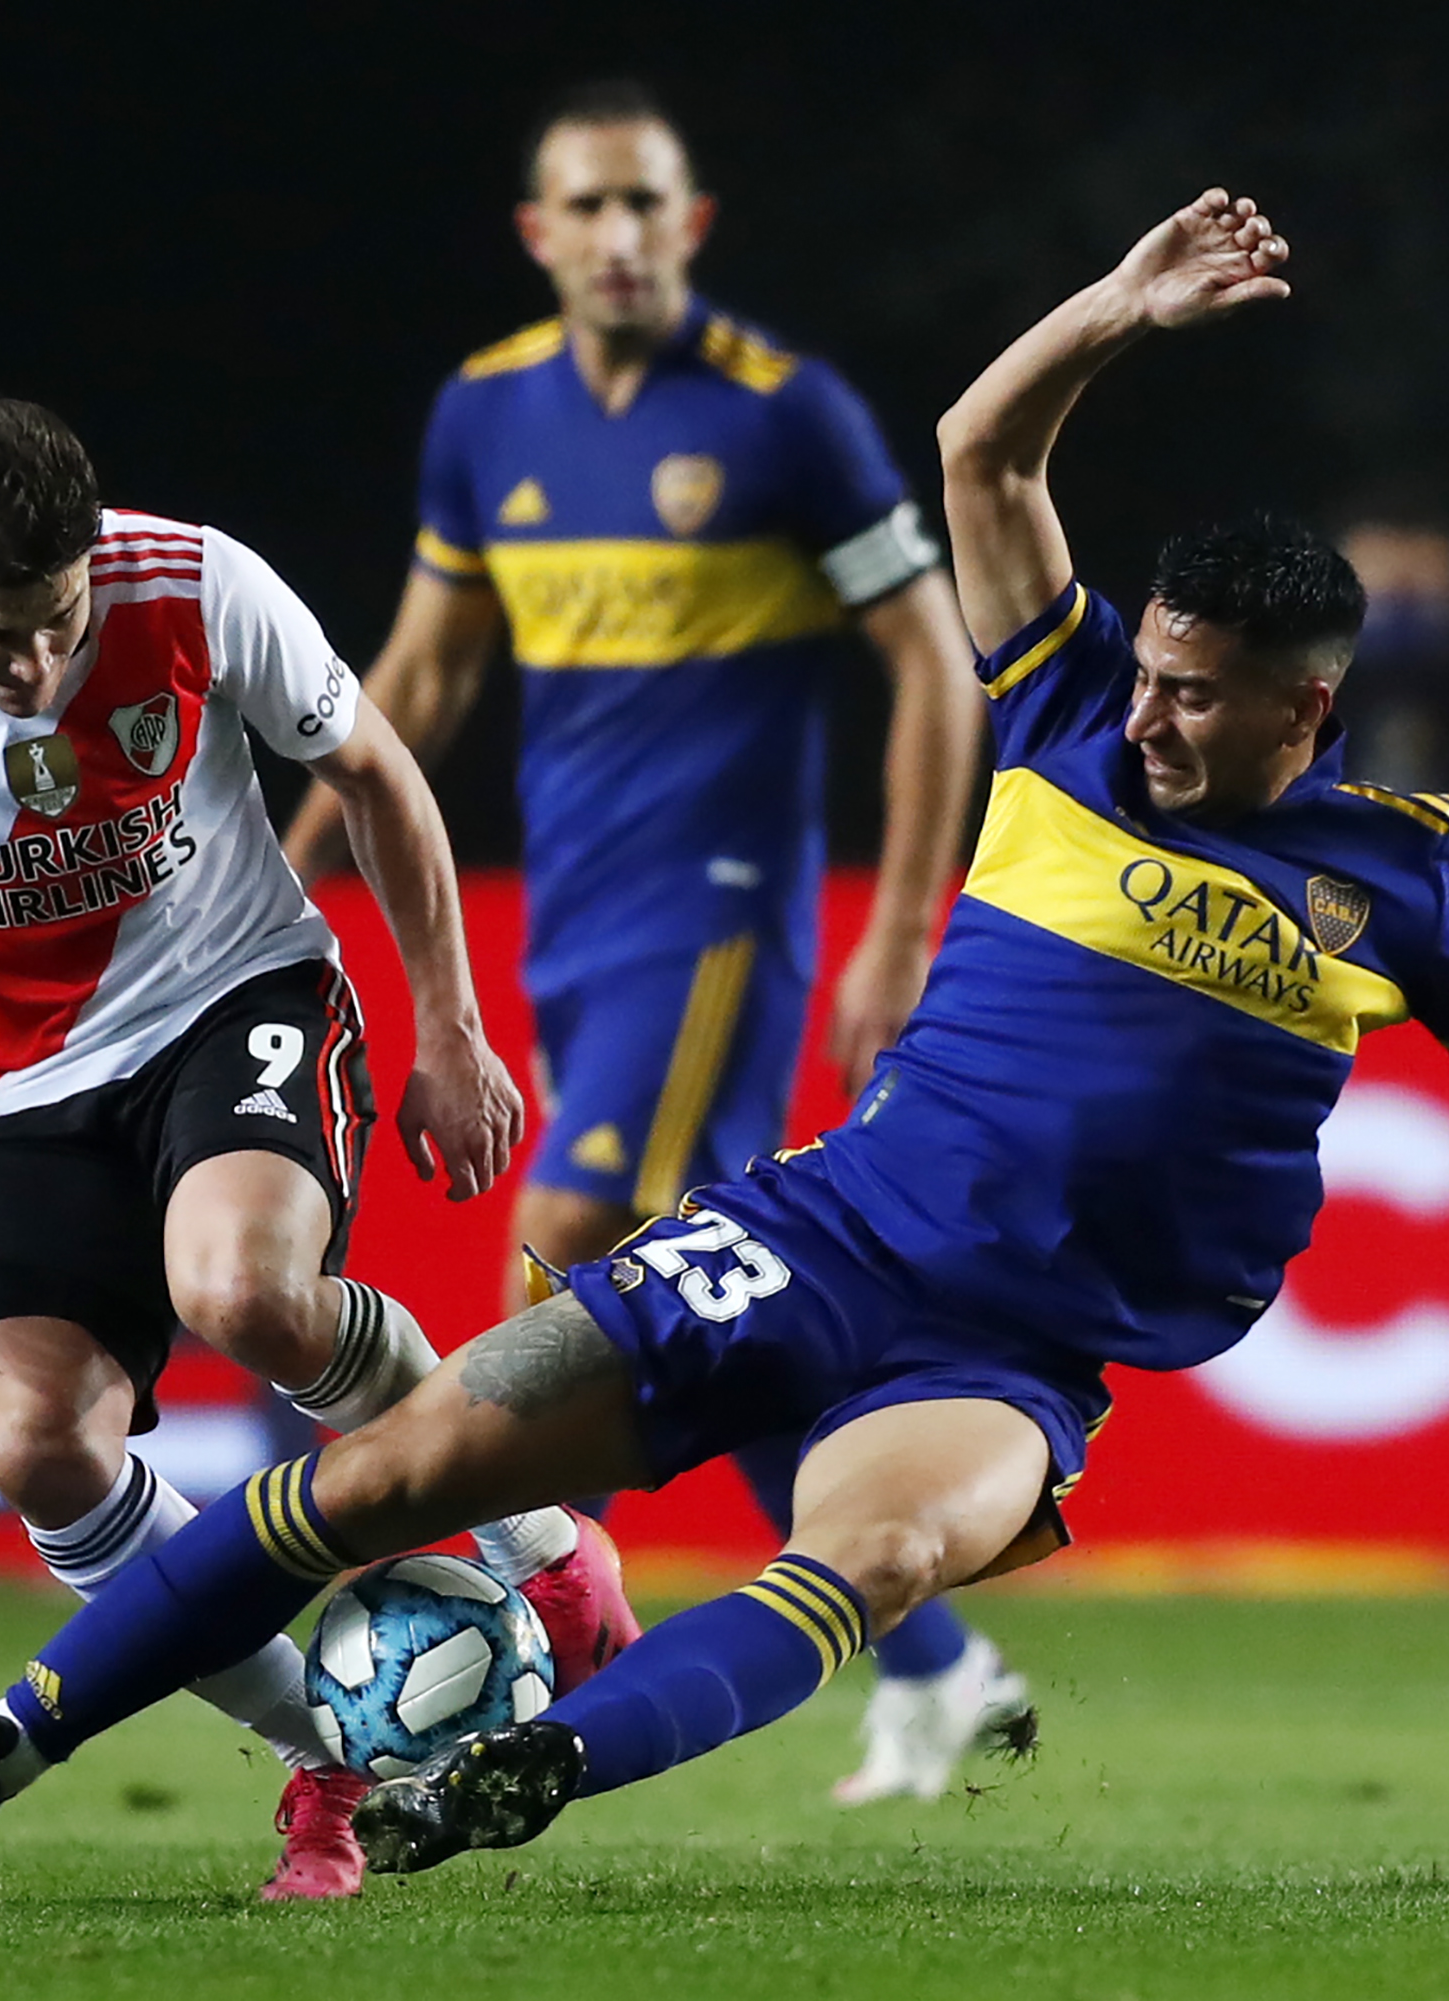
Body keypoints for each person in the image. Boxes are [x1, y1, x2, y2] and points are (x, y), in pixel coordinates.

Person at [0, 192, 1449, 1880]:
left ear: (1305, 708)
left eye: (1200, 690)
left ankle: (518, 1769)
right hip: (816, 1237)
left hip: (1020, 1349)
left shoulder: (1420, 873)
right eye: (1145, 662)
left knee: (861, 1557)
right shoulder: (1055, 707)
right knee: (379, 1471)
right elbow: (979, 447)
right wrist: (1117, 316)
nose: (1147, 705)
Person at [0, 398, 636, 1899]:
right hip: (34, 1083)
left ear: (93, 558)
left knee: (240, 1289)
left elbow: (383, 775)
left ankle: (533, 1528)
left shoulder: (194, 583)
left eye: (56, 621)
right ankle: (326, 1751)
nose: (32, 667)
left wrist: (448, 1029)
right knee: (31, 1438)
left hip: (240, 990)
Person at [276, 78, 1021, 1804]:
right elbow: (427, 675)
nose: (620, 236)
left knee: (563, 1237)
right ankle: (933, 1655)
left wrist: (900, 920)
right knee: (719, 1305)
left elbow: (929, 658)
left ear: (693, 225)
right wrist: (286, 865)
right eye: (587, 208)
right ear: (539, 235)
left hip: (720, 924)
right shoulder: (486, 416)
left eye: (648, 205)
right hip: (575, 929)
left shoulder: (785, 418)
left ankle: (507, 1633)